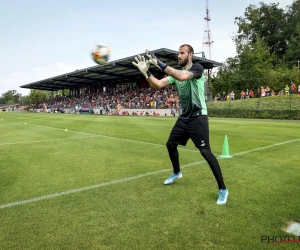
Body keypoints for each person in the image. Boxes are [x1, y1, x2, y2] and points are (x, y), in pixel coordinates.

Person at [132, 44, 228, 205]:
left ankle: (223, 189)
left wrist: (158, 62)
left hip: (198, 117)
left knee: (206, 153)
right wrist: (146, 72)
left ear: (190, 55)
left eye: (182, 53)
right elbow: (158, 84)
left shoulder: (197, 68)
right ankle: (177, 172)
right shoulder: (175, 75)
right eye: (178, 53)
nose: (179, 56)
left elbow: (182, 76)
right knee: (170, 144)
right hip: (184, 118)